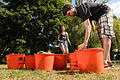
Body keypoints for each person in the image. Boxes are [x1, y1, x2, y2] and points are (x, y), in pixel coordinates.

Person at [63, 2, 115, 68]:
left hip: (105, 12)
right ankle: (108, 61)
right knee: (102, 39)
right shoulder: (79, 13)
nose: (70, 16)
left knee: (106, 35)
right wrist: (92, 24)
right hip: (98, 17)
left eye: (69, 13)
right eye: (68, 16)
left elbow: (88, 27)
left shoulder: (81, 9)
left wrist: (85, 43)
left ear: (71, 8)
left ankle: (104, 62)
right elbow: (89, 15)